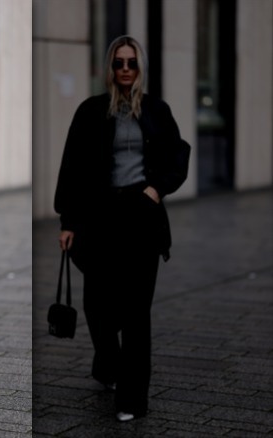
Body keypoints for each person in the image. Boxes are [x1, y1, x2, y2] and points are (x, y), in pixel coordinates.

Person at [54, 35, 190, 422]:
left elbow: (179, 155)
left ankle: (132, 399)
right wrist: (68, 220)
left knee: (135, 313)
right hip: (100, 218)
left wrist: (155, 189)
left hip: (141, 217)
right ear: (109, 68)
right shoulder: (91, 111)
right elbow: (73, 168)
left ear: (140, 68)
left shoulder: (156, 111)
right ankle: (108, 365)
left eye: (132, 63)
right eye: (119, 63)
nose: (126, 69)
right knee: (97, 307)